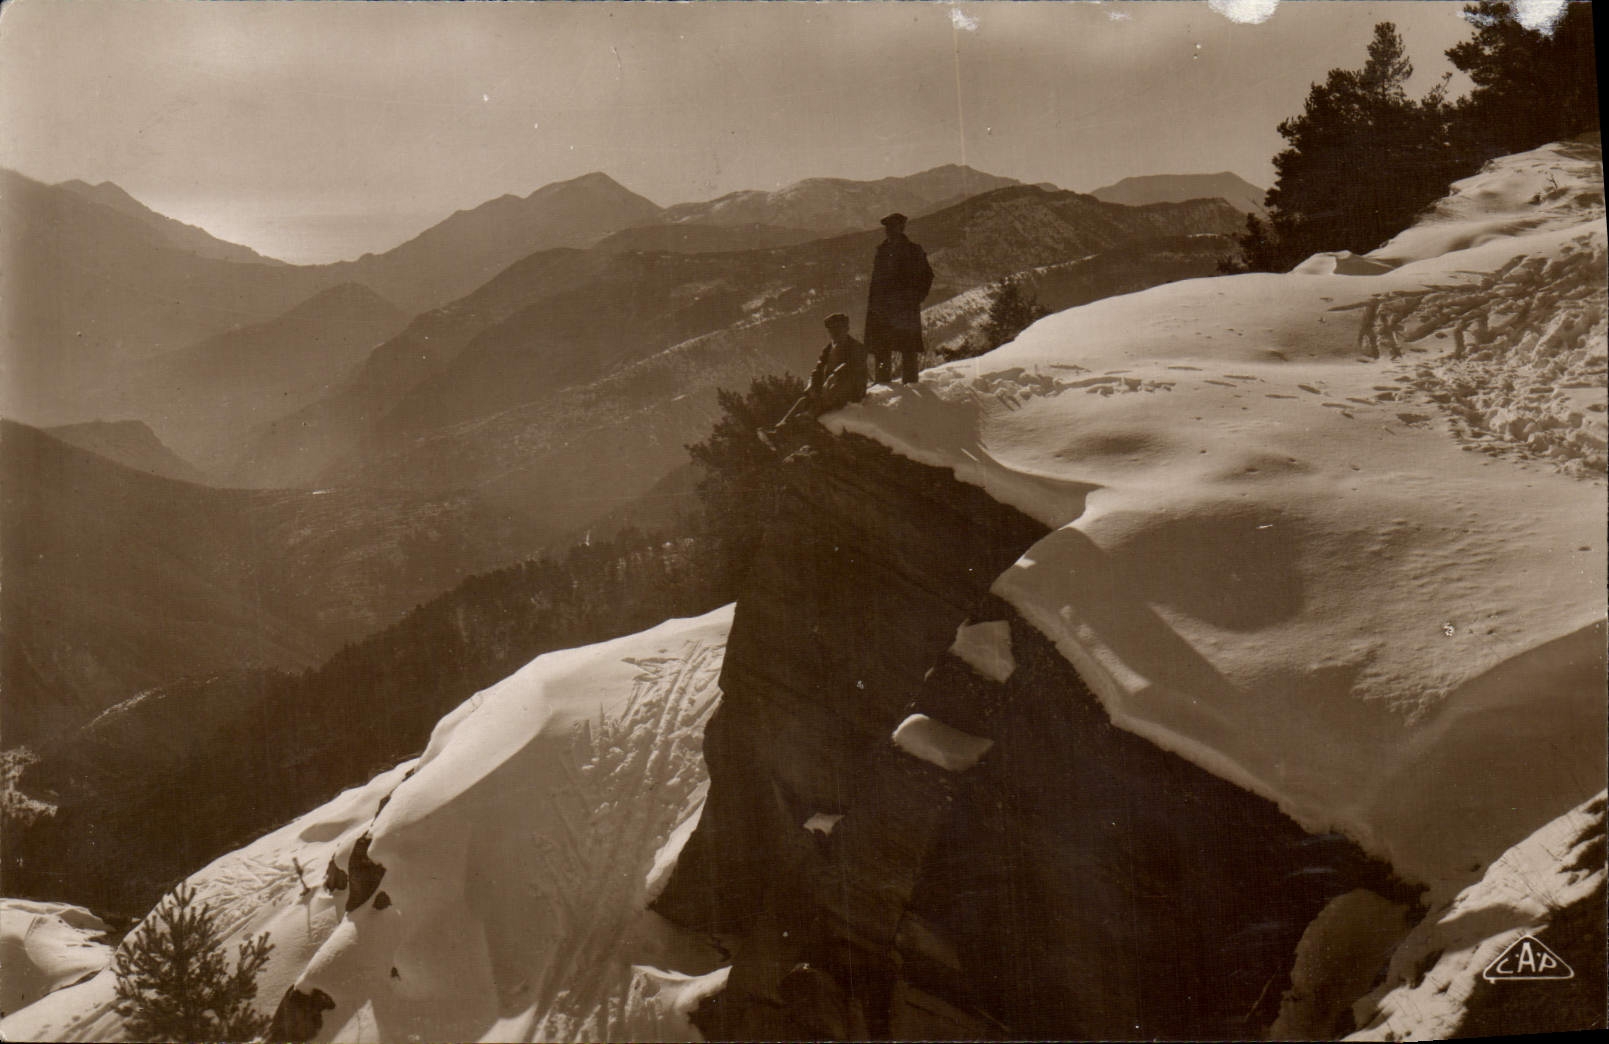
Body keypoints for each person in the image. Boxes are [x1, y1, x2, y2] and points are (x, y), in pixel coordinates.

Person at [769, 312, 868, 435]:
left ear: (846, 329)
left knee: (831, 389)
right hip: (831, 390)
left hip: (851, 391)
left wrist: (834, 376)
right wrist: (812, 386)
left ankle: (808, 416)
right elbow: (818, 369)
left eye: (838, 328)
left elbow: (852, 367)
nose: (834, 332)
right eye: (832, 329)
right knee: (804, 400)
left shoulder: (857, 347)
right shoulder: (828, 349)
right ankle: (780, 429)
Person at [864, 212, 934, 385]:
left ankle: (910, 384)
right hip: (882, 309)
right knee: (882, 347)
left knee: (908, 348)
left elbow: (927, 275)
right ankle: (882, 385)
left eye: (893, 227)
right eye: (887, 228)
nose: (889, 231)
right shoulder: (882, 251)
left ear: (901, 228)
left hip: (904, 309)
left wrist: (916, 298)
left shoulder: (913, 250)